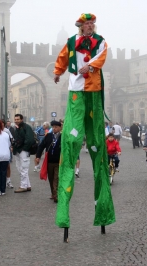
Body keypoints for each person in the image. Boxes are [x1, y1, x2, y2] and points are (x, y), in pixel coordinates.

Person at [53, 13, 115, 228]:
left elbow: (102, 57)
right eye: (86, 24)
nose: (90, 26)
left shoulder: (100, 41)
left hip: (94, 91)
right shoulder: (71, 42)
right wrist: (58, 72)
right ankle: (63, 212)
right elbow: (62, 57)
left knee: (97, 140)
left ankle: (103, 210)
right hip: (76, 92)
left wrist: (90, 66)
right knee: (71, 138)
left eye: (92, 24)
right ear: (81, 27)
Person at [35, 120, 62, 202]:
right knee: (51, 178)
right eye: (53, 127)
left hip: (58, 161)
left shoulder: (63, 137)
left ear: (60, 128)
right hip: (49, 161)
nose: (54, 128)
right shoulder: (48, 136)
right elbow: (41, 146)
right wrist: (38, 156)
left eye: (56, 127)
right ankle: (53, 193)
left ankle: (56, 195)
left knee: (56, 178)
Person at [12, 114, 35, 193]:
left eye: (18, 119)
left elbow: (30, 139)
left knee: (24, 168)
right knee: (19, 167)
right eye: (15, 119)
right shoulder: (17, 128)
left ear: (21, 119)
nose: (16, 121)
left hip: (23, 150)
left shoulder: (26, 127)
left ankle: (23, 186)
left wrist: (24, 148)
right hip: (18, 150)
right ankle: (27, 185)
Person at [1, 120, 14, 189]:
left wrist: (11, 146)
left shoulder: (6, 131)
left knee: (8, 166)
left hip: (6, 150)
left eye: (3, 124)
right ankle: (2, 181)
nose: (2, 126)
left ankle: (8, 181)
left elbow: (11, 138)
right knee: (0, 167)